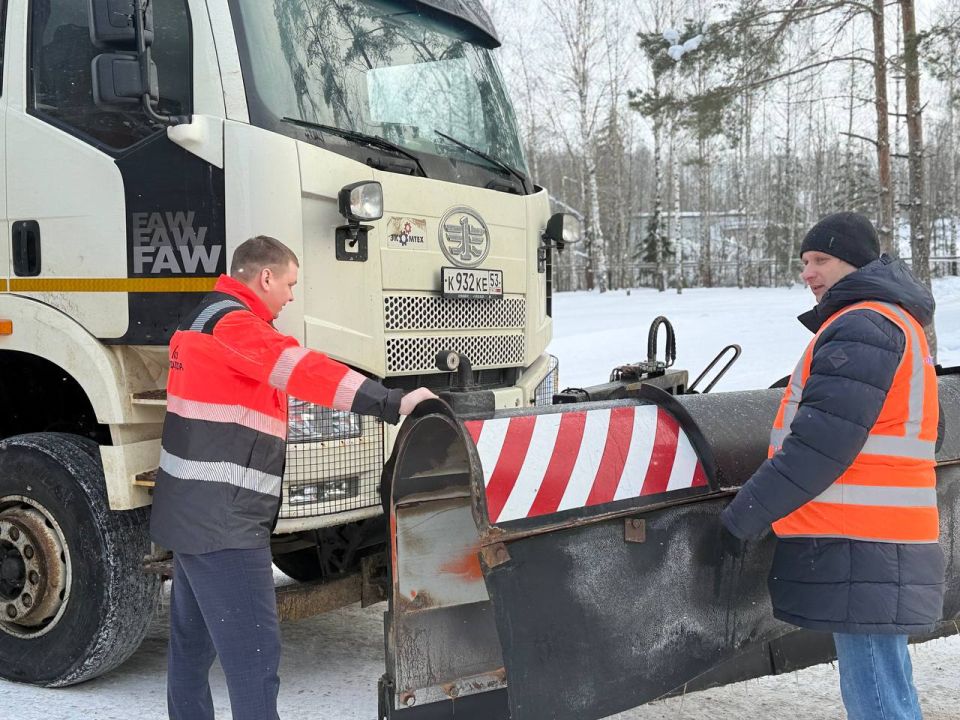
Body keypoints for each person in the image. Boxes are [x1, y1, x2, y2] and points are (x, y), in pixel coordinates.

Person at [150, 235, 436, 720]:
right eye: (288, 284)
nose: (290, 296)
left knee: (191, 655)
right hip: (226, 522)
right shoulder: (236, 325)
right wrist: (392, 402)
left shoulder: (198, 320)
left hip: (189, 515)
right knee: (255, 660)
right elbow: (302, 368)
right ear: (264, 277)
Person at [720, 212, 944, 720]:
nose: (808, 273)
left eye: (821, 259)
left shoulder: (861, 326)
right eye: (803, 262)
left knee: (876, 691)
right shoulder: (897, 322)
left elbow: (820, 447)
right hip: (886, 535)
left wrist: (746, 514)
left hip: (860, 536)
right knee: (886, 675)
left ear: (855, 263)